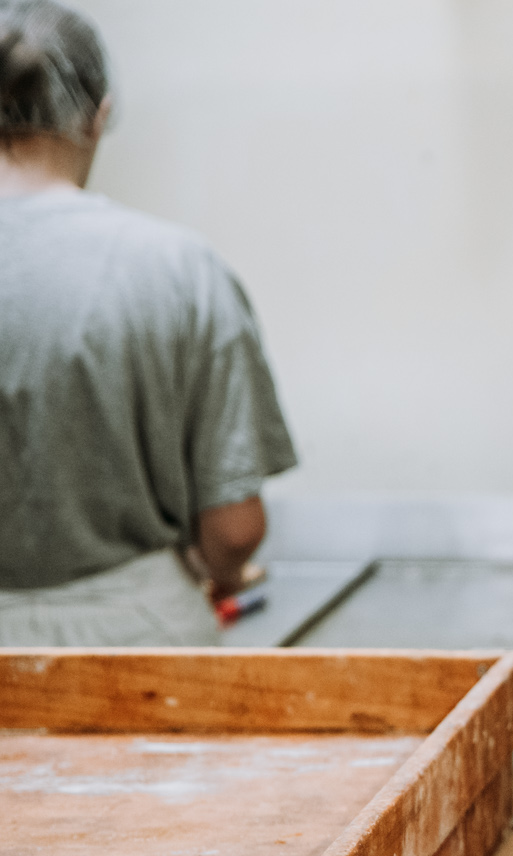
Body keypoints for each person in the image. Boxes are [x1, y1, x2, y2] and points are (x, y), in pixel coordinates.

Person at [0, 0, 297, 646]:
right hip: (134, 644)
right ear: (98, 117)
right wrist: (211, 571)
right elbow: (235, 528)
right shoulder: (178, 268)